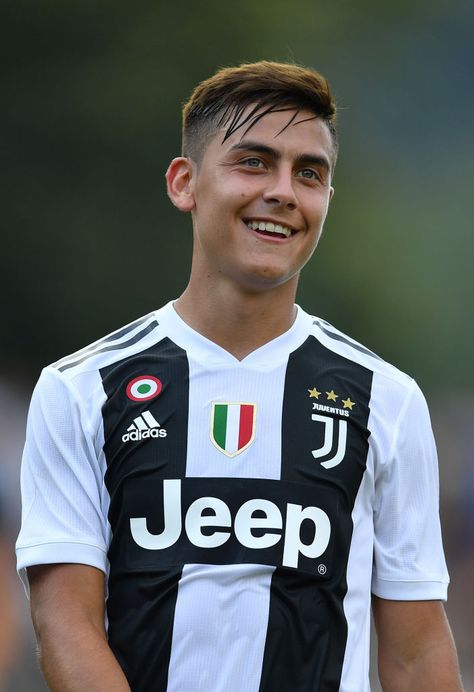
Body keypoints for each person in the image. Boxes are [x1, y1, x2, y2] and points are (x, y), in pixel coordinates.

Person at [16, 61, 463, 691]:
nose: (283, 190)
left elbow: (416, 654)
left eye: (309, 174)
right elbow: (65, 624)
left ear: (326, 201)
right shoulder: (81, 389)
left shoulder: (386, 399)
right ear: (184, 183)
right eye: (254, 162)